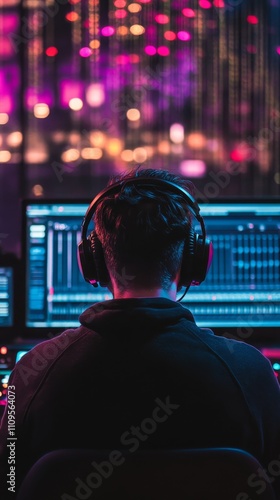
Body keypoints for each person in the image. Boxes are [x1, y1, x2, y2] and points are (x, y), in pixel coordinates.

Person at [0, 167, 280, 499]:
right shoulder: (250, 372)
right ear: (196, 262)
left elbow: (9, 483)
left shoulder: (32, 374)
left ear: (93, 264)